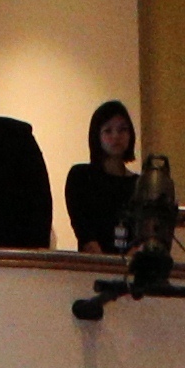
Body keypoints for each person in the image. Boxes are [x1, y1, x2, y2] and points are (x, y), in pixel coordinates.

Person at [60, 100, 150, 259]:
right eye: (108, 131)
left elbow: (144, 233)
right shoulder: (80, 176)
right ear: (97, 136)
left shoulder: (140, 184)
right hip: (93, 266)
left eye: (122, 130)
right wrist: (107, 264)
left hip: (132, 268)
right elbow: (83, 230)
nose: (116, 136)